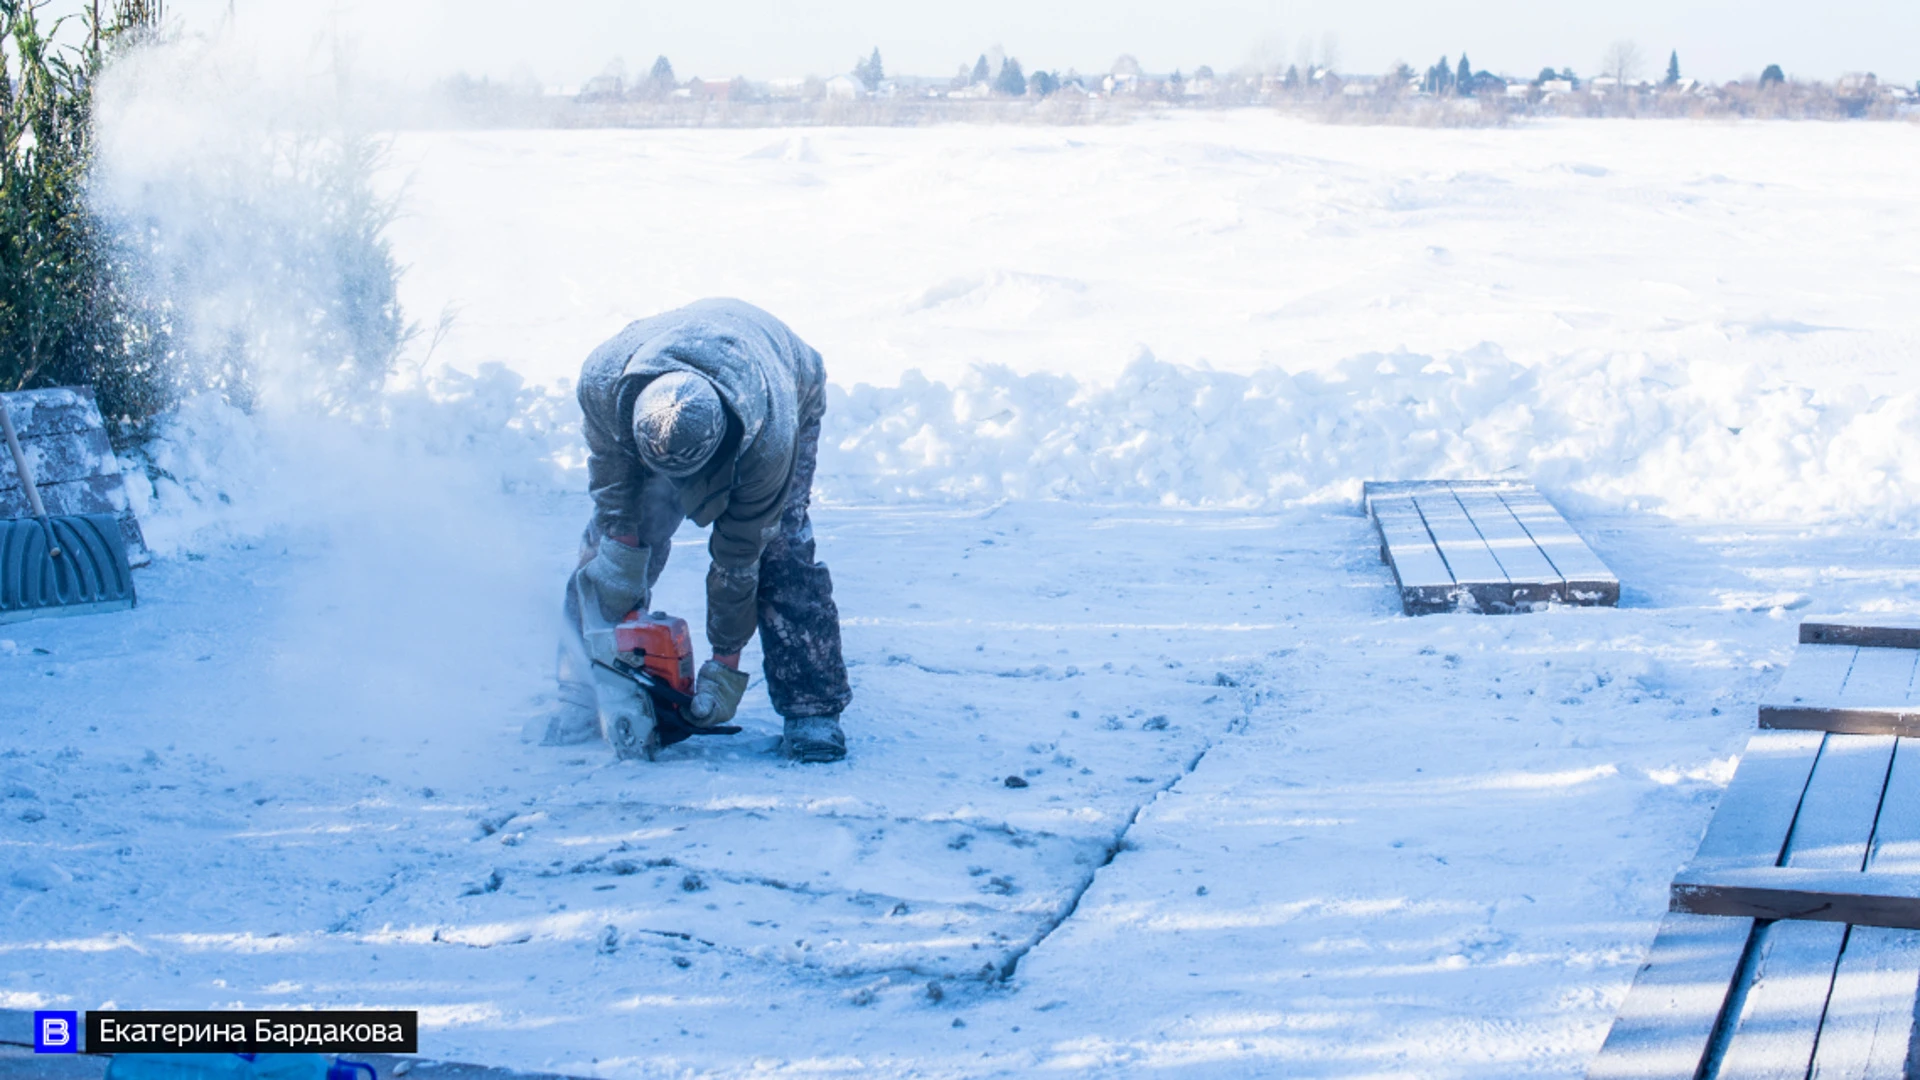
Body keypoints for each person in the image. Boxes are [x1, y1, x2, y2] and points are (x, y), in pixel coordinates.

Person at [551, 298, 851, 762]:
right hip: (658, 387)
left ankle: (812, 709)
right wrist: (621, 551)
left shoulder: (768, 438)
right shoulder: (603, 382)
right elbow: (614, 488)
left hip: (779, 379)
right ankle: (583, 688)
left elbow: (739, 557)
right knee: (611, 553)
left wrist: (724, 665)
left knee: (779, 551)